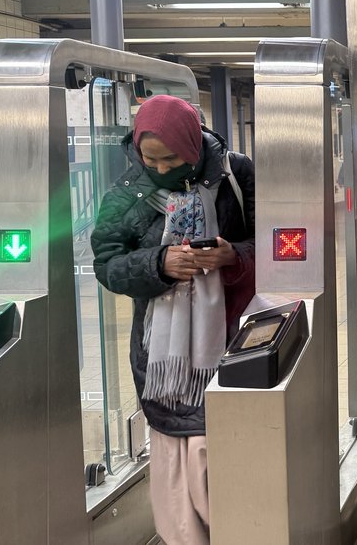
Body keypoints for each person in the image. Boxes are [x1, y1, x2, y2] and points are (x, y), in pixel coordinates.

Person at [92, 95, 255, 545]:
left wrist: (233, 256)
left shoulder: (236, 175)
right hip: (161, 359)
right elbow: (106, 264)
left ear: (192, 144)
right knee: (174, 463)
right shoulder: (125, 193)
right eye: (150, 159)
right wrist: (158, 264)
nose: (161, 168)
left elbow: (277, 239)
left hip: (232, 338)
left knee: (221, 451)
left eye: (172, 158)